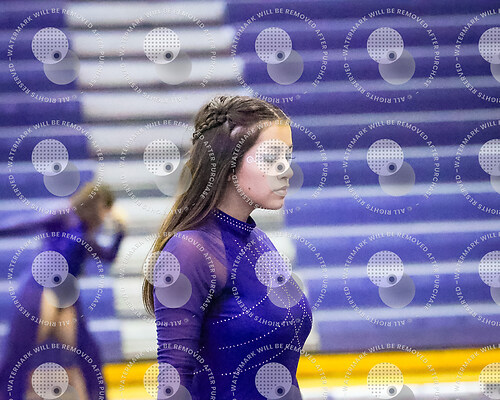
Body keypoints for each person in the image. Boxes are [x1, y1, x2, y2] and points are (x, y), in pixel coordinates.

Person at [143, 95, 312, 399]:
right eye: (271, 158)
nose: (286, 170)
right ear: (228, 163)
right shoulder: (189, 251)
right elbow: (173, 384)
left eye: (288, 156)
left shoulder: (259, 241)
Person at [0, 183, 126, 400]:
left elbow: (109, 255)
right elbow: (28, 224)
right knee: (18, 355)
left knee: (88, 355)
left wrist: (120, 231)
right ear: (99, 205)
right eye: (106, 210)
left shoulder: (86, 232)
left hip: (65, 297)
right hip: (40, 289)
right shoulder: (65, 215)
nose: (106, 216)